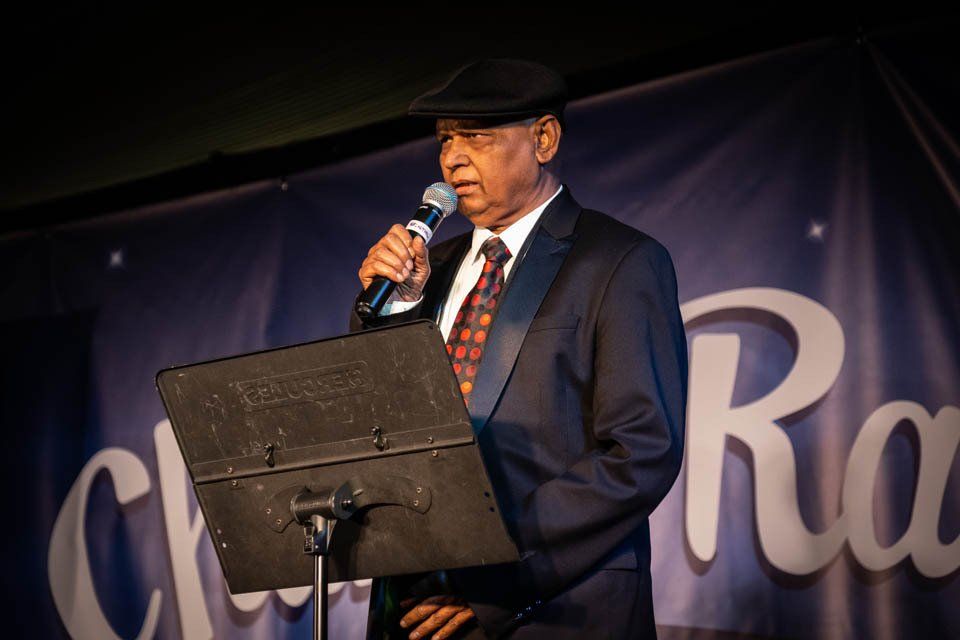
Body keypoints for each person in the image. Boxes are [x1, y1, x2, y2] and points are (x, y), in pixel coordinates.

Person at [349, 58, 688, 640]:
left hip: (553, 606)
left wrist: (494, 574)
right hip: (413, 610)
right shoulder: (428, 272)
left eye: (475, 136)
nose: (452, 157)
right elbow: (379, 426)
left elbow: (641, 451)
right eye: (444, 139)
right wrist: (398, 309)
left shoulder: (619, 262)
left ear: (544, 138)